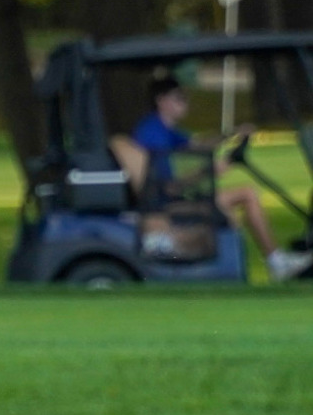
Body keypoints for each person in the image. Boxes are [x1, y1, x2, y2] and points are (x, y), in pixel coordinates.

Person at [132, 78, 311, 282]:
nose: (186, 104)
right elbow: (170, 184)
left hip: (173, 197)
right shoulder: (152, 133)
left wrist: (232, 134)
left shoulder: (164, 130)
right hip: (167, 204)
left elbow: (198, 143)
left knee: (238, 203)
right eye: (179, 98)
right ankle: (276, 262)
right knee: (247, 193)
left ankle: (257, 265)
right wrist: (210, 171)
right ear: (161, 100)